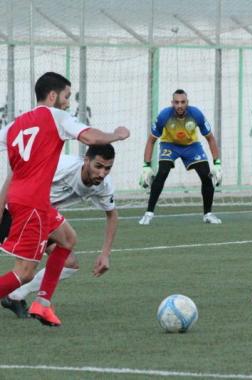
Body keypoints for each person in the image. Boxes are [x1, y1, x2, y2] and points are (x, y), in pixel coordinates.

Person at [0, 72, 129, 326]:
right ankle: (25, 298)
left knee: (68, 238)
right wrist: (116, 134)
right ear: (52, 95)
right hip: (33, 204)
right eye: (67, 96)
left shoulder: (16, 124)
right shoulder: (56, 116)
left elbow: (11, 165)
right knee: (24, 273)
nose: (68, 103)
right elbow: (91, 138)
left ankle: (42, 303)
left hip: (27, 200)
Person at [0, 144, 118, 319]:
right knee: (25, 272)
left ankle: (15, 296)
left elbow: (112, 215)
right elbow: (17, 174)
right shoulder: (62, 165)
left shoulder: (104, 185)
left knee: (68, 261)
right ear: (86, 161)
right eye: (98, 166)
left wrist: (105, 254)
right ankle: (40, 301)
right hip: (20, 207)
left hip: (42, 214)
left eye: (107, 168)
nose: (102, 173)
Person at [139, 89, 222, 225]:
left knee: (206, 175)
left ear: (187, 103)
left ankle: (208, 214)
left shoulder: (196, 114)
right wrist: (146, 166)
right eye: (176, 102)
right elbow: (151, 140)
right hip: (169, 145)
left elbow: (211, 139)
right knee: (163, 172)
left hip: (191, 146)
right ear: (172, 103)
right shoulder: (164, 116)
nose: (179, 105)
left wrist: (217, 163)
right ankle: (148, 214)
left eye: (182, 102)